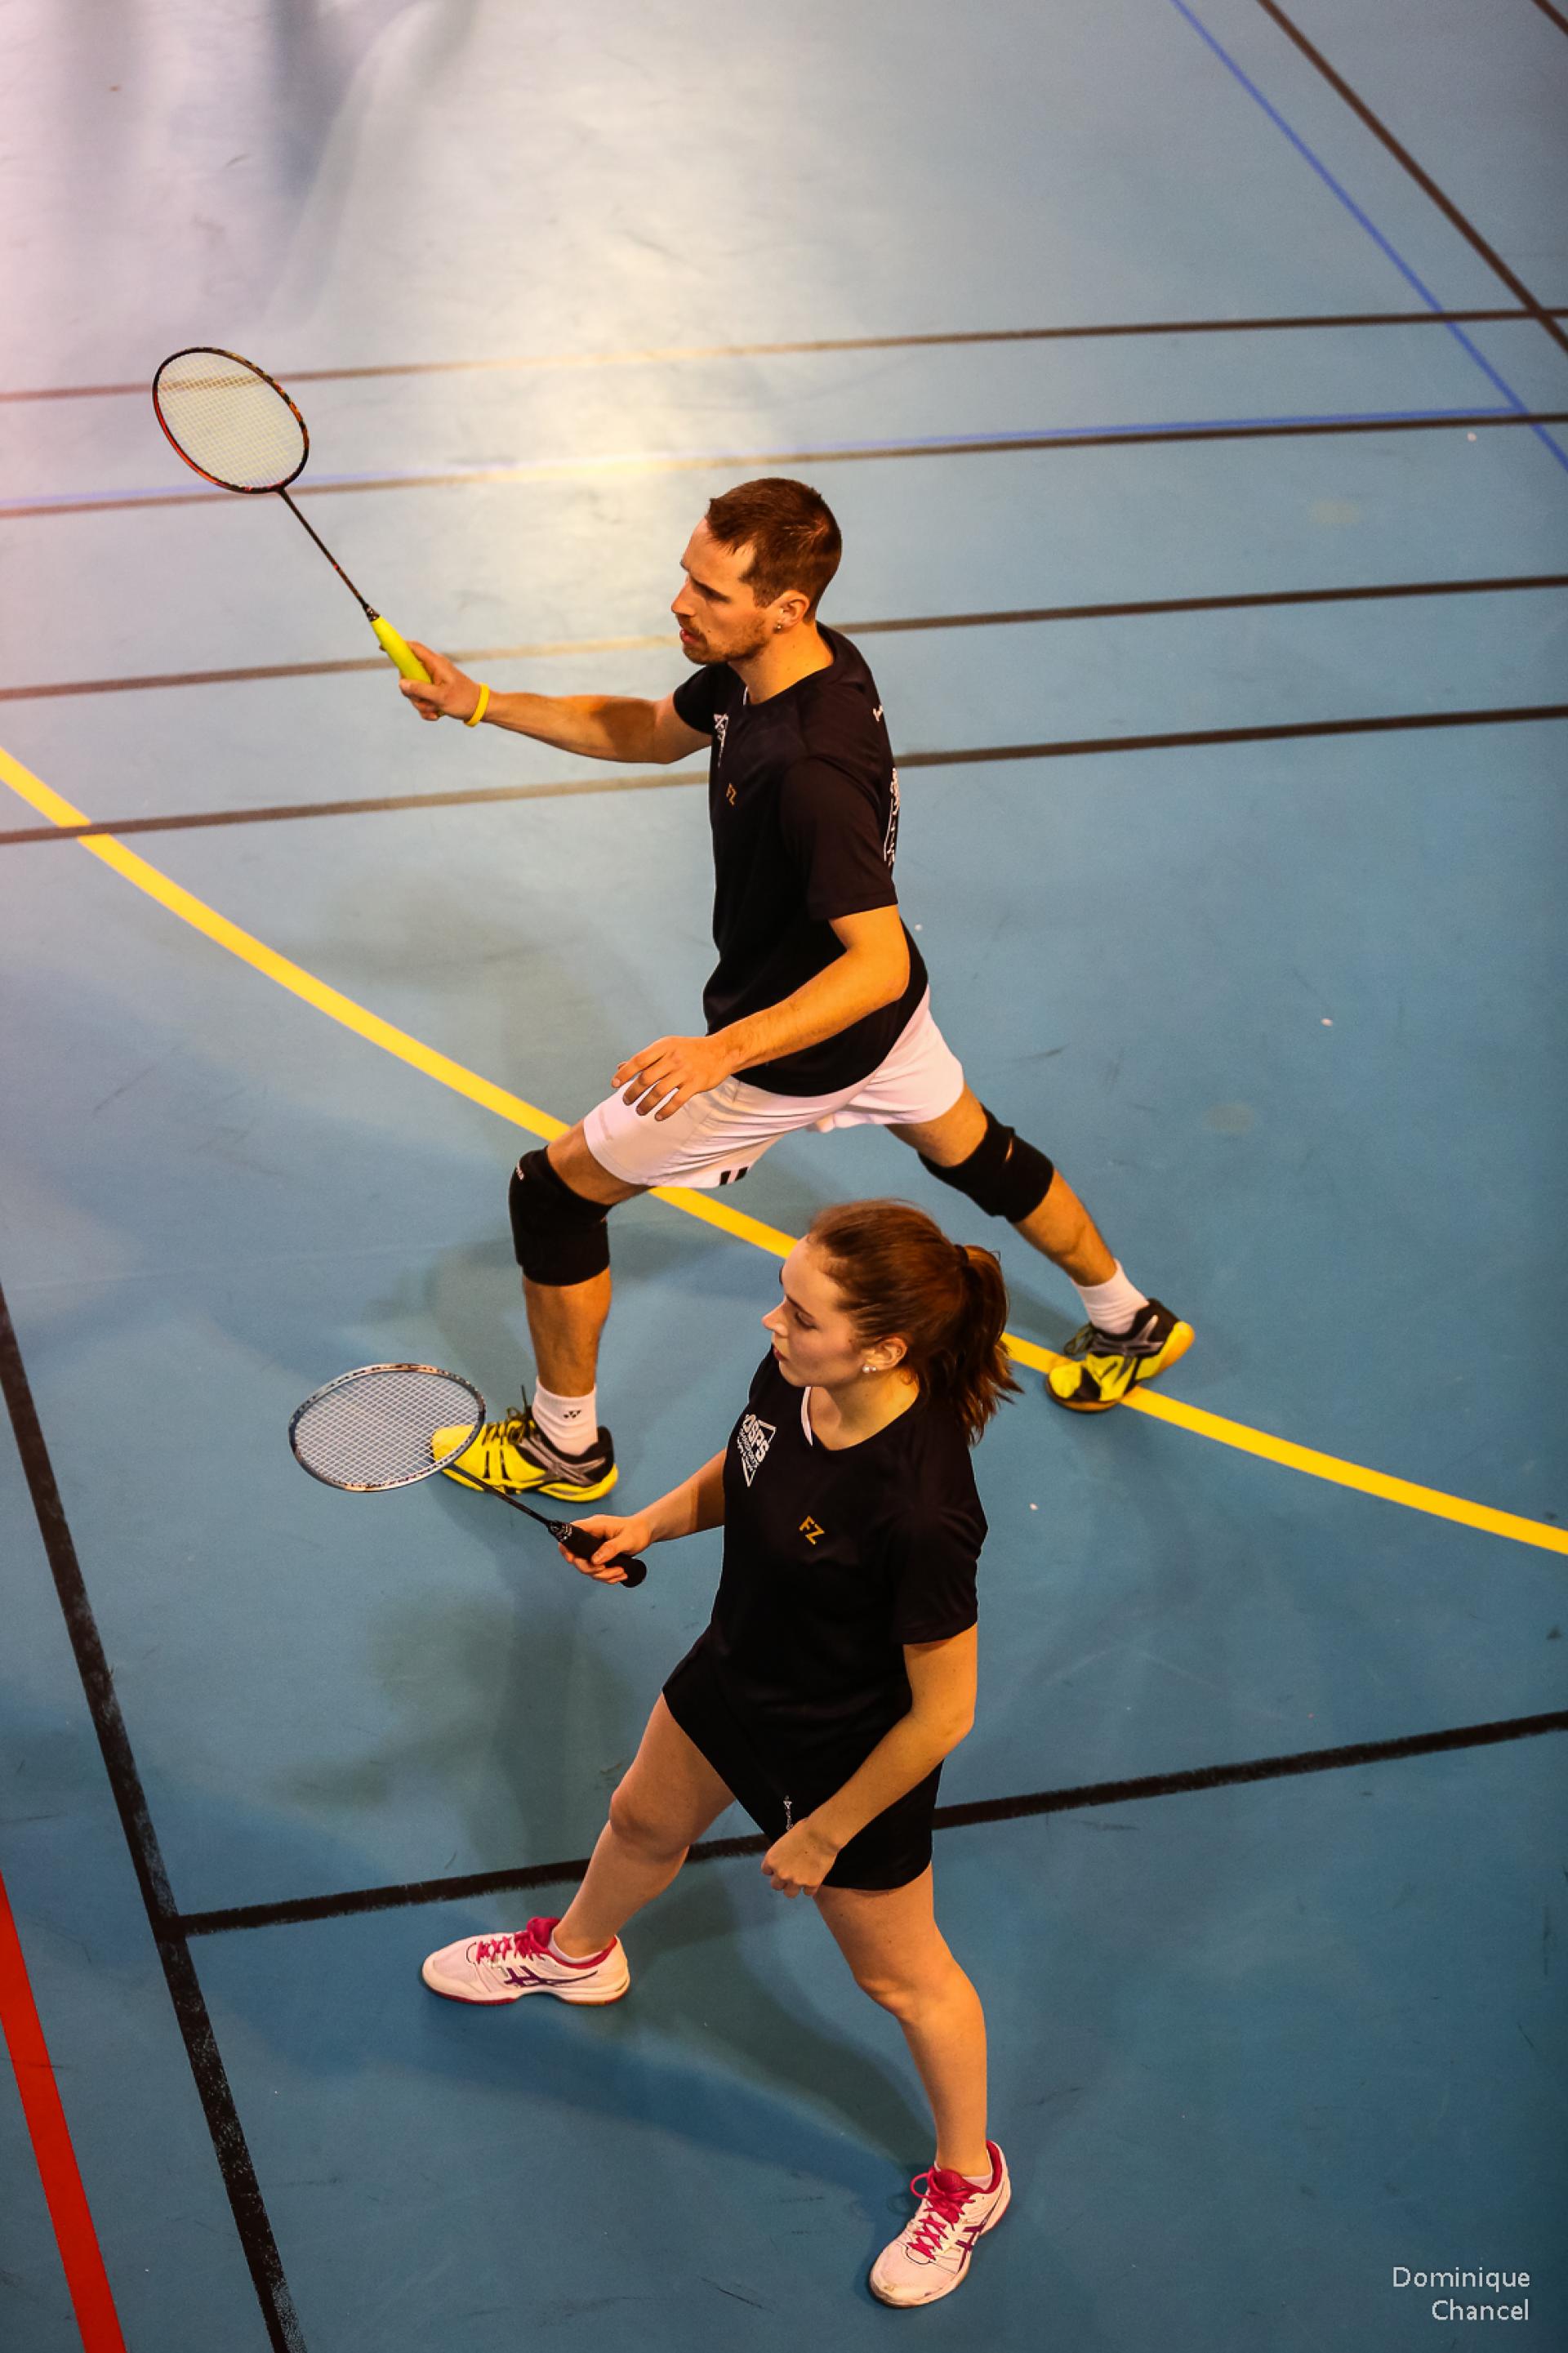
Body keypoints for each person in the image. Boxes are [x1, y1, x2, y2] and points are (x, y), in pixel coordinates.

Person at [399, 476, 1191, 1505]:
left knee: (550, 1195)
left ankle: (565, 1447)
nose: (680, 603)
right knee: (979, 1153)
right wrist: (482, 703)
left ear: (787, 606)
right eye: (686, 577)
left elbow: (877, 961)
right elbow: (647, 728)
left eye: (710, 592)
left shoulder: (809, 766)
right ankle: (1131, 1317)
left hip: (792, 1046)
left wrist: (719, 1053)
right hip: (882, 1033)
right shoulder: (778, 669)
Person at [421, 1200, 1018, 2307]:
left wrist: (824, 1831)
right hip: (736, 1673)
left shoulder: (921, 1510)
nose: (772, 1320)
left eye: (802, 1312)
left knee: (902, 1979)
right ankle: (579, 1954)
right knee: (641, 1819)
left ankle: (969, 2180)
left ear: (882, 1349)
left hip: (847, 1754)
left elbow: (943, 1715)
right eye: (785, 1296)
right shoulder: (798, 1378)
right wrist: (646, 1523)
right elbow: (749, 1470)